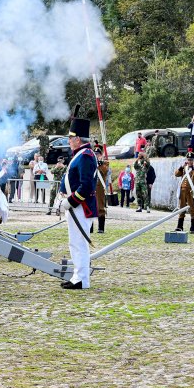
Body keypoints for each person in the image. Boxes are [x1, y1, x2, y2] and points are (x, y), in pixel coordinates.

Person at [58, 111, 97, 290]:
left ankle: (82, 279)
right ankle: (77, 277)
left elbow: (86, 185)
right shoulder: (80, 155)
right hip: (75, 206)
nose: (69, 141)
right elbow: (70, 178)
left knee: (79, 242)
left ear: (78, 139)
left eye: (71, 138)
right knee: (75, 242)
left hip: (81, 206)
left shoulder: (86, 156)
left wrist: (71, 201)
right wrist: (62, 193)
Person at [174, 149, 194, 233]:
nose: (189, 161)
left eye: (191, 160)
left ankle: (193, 227)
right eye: (188, 159)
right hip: (182, 191)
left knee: (192, 209)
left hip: (191, 192)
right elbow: (176, 174)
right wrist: (182, 167)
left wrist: (193, 167)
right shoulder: (184, 168)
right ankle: (180, 226)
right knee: (181, 208)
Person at [93, 143, 109, 234]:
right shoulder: (91, 161)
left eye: (98, 154)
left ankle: (101, 228)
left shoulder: (105, 162)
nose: (96, 155)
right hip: (91, 186)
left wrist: (100, 165)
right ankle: (90, 227)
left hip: (99, 187)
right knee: (90, 206)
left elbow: (105, 170)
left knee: (100, 207)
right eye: (95, 154)